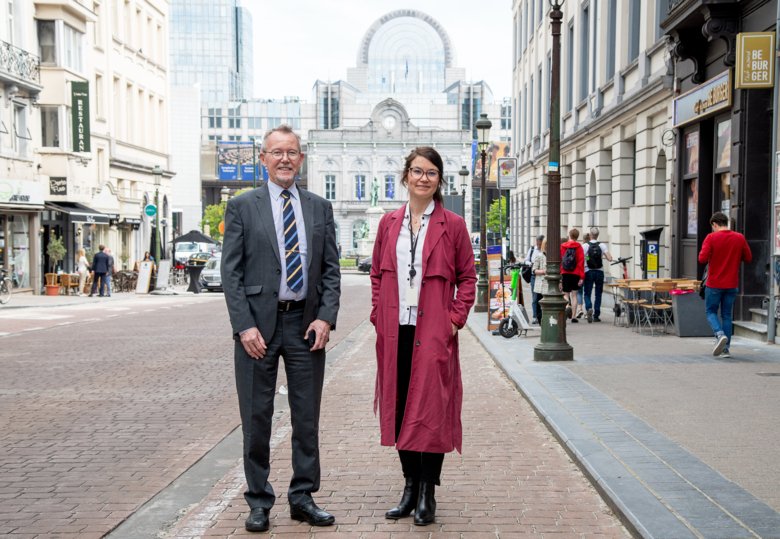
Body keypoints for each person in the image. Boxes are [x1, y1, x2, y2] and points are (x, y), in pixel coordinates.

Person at [221, 125, 341, 533]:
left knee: (306, 418)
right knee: (257, 419)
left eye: (292, 152)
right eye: (277, 152)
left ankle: (303, 496)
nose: (285, 158)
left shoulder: (319, 208)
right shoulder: (242, 207)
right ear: (264, 159)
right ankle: (258, 501)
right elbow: (231, 274)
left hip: (306, 326)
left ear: (301, 159)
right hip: (258, 329)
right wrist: (243, 327)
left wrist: (325, 317)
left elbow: (330, 271)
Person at [370, 147, 476, 526]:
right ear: (406, 176)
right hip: (395, 327)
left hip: (433, 329)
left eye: (431, 173)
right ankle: (409, 487)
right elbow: (378, 276)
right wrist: (376, 314)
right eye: (417, 171)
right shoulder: (388, 224)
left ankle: (428, 492)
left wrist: (454, 319)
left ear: (439, 180)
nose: (423, 178)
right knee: (399, 405)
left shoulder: (454, 226)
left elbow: (467, 278)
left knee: (431, 408)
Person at [698, 212, 752, 358]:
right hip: (731, 284)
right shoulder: (739, 237)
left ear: (715, 224)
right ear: (726, 222)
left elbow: (702, 258)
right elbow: (748, 257)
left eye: (713, 227)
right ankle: (725, 349)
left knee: (710, 312)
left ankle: (719, 334)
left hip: (714, 283)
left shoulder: (711, 237)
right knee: (727, 315)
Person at [582, 227, 613, 322]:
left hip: (588, 271)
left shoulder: (585, 246)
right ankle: (596, 315)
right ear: (597, 235)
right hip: (599, 272)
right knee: (598, 294)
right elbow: (610, 258)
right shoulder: (602, 245)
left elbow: (582, 258)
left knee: (587, 293)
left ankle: (588, 308)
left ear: (590, 235)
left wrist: (588, 259)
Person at [560, 228, 585, 322]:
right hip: (576, 273)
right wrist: (582, 277)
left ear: (569, 235)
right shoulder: (579, 247)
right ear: (577, 236)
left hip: (565, 273)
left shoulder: (563, 246)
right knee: (574, 295)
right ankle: (574, 316)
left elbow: (560, 260)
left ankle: (567, 306)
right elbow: (581, 262)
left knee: (565, 294)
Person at [525, 235, 544, 323]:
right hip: (534, 276)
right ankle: (535, 316)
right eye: (537, 242)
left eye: (540, 243)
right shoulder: (532, 249)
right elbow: (526, 260)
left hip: (543, 277)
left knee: (543, 296)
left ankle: (542, 315)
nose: (538, 244)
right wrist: (531, 264)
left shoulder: (544, 251)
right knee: (535, 296)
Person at [532, 239, 551, 319]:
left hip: (550, 284)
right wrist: (543, 271)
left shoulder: (553, 255)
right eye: (546, 244)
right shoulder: (539, 255)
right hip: (541, 283)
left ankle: (548, 319)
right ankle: (540, 319)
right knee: (539, 303)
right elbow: (534, 270)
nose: (548, 246)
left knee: (549, 304)